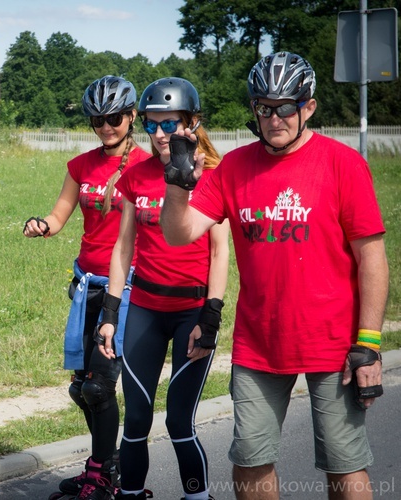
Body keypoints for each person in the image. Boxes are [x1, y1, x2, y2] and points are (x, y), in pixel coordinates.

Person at [159, 52, 389, 500]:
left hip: (334, 342)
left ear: (309, 107)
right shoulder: (234, 168)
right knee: (249, 460)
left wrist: (370, 343)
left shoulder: (343, 164)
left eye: (286, 106)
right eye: (264, 107)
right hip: (258, 342)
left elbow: (372, 258)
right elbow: (179, 233)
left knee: (345, 466)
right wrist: (176, 183)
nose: (274, 117)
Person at [95, 77, 229, 500]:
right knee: (135, 420)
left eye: (169, 125)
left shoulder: (214, 174)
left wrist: (210, 318)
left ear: (191, 123)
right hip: (146, 311)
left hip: (192, 312)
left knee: (178, 422)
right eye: (152, 125)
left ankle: (197, 496)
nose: (158, 135)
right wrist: (111, 315)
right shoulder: (135, 175)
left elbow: (220, 253)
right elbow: (123, 247)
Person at [25, 75, 152, 500]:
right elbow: (60, 216)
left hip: (126, 288)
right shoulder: (80, 166)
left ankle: (103, 473)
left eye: (114, 118)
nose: (105, 126)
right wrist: (43, 225)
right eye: (98, 119)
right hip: (85, 285)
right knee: (82, 388)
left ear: (131, 116)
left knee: (100, 386)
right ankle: (105, 467)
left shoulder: (145, 166)